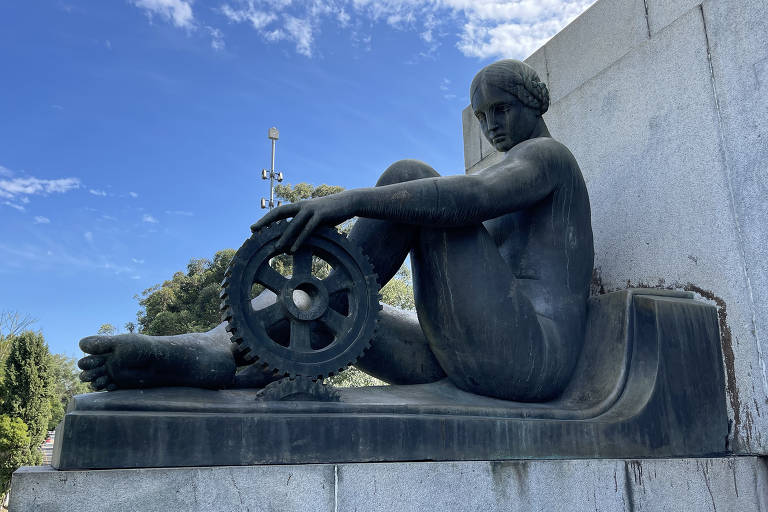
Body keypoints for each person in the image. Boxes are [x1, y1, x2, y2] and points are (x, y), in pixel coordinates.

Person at [78, 59, 594, 402]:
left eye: (502, 109)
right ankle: (219, 352)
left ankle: (222, 349)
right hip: (466, 357)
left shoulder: (548, 157)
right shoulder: (514, 170)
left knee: (409, 176)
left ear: (535, 103)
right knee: (330, 305)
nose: (491, 125)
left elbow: (471, 197)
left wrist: (346, 202)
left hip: (529, 360)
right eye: (481, 115)